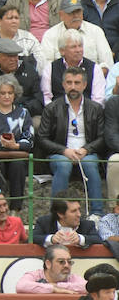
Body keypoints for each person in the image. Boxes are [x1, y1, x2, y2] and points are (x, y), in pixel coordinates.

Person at [38, 67, 106, 214]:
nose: (73, 87)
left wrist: (86, 149)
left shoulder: (96, 108)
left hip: (87, 152)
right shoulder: (51, 108)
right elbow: (42, 139)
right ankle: (57, 213)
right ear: (63, 85)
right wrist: (64, 151)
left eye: (77, 82)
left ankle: (97, 213)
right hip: (60, 153)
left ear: (85, 85)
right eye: (69, 82)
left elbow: (102, 138)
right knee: (63, 165)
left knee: (90, 164)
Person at [38, 0, 114, 71]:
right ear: (61, 15)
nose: (76, 16)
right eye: (71, 13)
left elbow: (107, 64)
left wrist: (93, 78)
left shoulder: (96, 31)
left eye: (78, 11)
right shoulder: (50, 34)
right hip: (61, 80)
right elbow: (45, 67)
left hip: (93, 79)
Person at [40, 29, 107, 103]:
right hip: (56, 112)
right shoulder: (50, 68)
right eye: (73, 47)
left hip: (87, 112)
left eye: (80, 46)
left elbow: (98, 99)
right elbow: (46, 97)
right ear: (62, 51)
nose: (78, 50)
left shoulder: (95, 69)